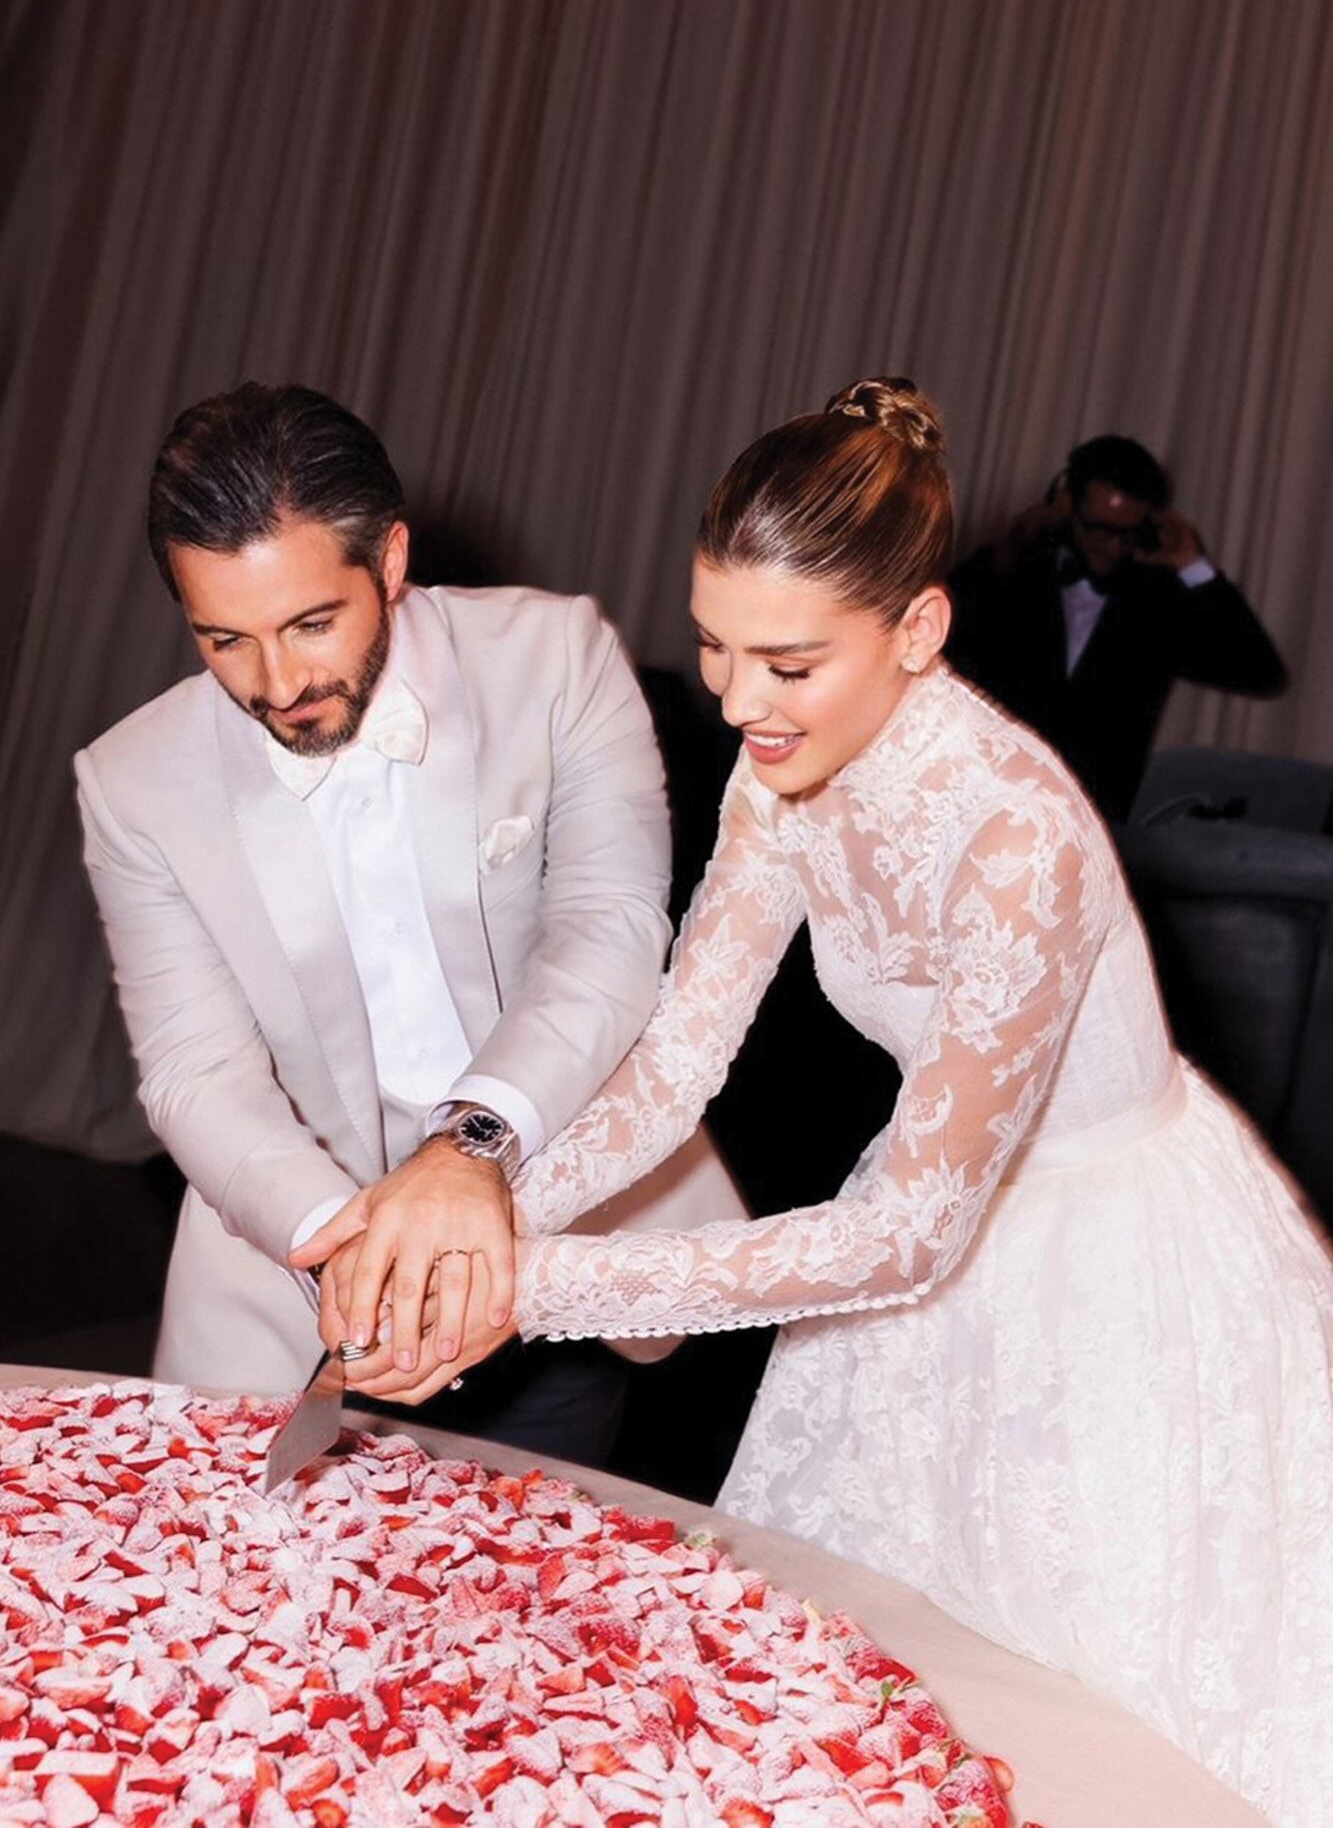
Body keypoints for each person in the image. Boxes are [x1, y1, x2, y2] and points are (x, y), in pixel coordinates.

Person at [308, 380, 1333, 1826]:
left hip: (1113, 1278)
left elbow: (911, 1238)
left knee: (1086, 1741)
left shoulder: (1015, 836)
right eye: (715, 648)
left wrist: (521, 1289)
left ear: (916, 633)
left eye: (786, 665)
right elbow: (674, 1064)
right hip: (917, 1221)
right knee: (847, 1730)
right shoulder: (777, 774)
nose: (737, 702)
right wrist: (472, 1211)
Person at [74, 381, 740, 1462]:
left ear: (388, 562)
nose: (278, 682)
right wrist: (350, 1251)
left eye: (310, 623)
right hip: (308, 1289)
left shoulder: (556, 658)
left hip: (563, 1240)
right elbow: (195, 1068)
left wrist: (467, 1150)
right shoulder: (132, 782)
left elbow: (607, 931)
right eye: (224, 640)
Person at [945, 435, 1288, 818]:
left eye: (1127, 533)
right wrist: (1010, 547)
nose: (1113, 547)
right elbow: (939, 639)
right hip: (979, 799)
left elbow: (1261, 672)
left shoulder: (1159, 604)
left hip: (1095, 820)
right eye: (1099, 529)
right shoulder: (1011, 573)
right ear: (1066, 508)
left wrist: (1194, 565)